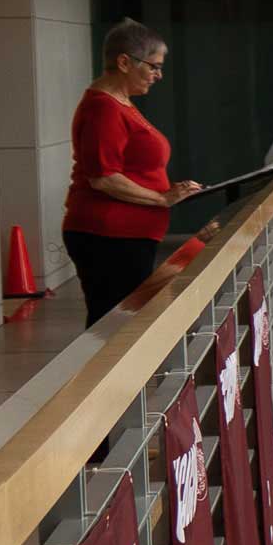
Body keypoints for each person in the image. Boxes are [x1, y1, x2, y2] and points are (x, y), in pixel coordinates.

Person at [67, 20, 203, 321]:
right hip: (109, 236)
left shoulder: (122, 103)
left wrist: (170, 194)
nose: (158, 75)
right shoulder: (104, 108)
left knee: (126, 322)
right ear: (125, 62)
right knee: (114, 326)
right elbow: (103, 177)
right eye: (153, 66)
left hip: (130, 235)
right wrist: (162, 199)